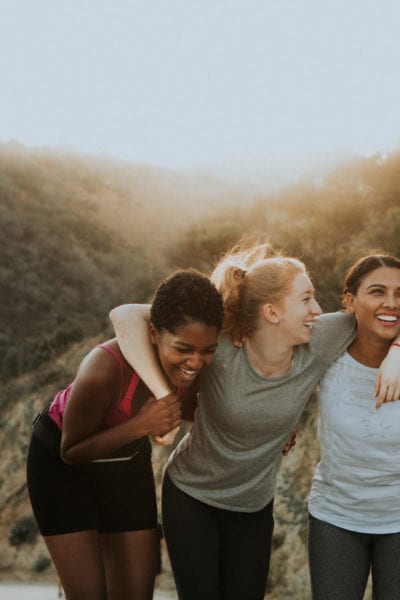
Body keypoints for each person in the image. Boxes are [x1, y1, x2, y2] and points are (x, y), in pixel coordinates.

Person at [109, 242, 400, 600]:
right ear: (273, 313)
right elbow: (125, 315)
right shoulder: (223, 346)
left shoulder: (322, 337)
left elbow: (385, 315)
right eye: (306, 299)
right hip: (192, 496)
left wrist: (397, 351)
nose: (318, 309)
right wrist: (164, 396)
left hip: (253, 507)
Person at [26, 269, 224, 600]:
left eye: (207, 350)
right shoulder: (104, 367)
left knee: (135, 593)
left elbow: (207, 413)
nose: (195, 361)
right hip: (61, 466)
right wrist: (140, 426)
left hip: (126, 461)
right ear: (154, 334)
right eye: (184, 348)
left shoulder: (195, 371)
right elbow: (71, 451)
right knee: (89, 595)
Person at [307, 254, 400, 600]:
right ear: (350, 301)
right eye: (377, 291)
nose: (391, 302)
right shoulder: (325, 351)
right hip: (336, 516)